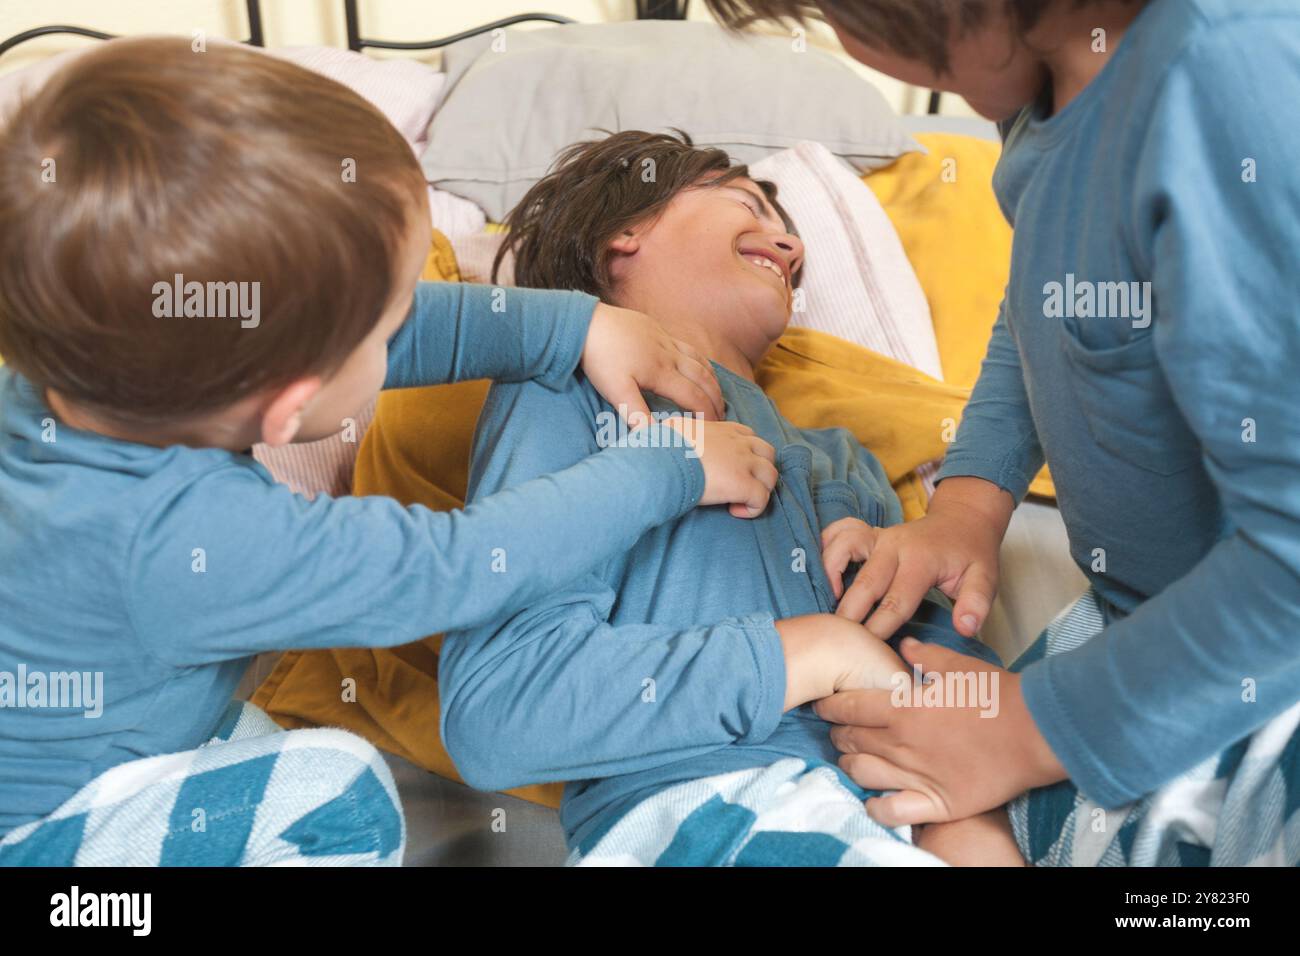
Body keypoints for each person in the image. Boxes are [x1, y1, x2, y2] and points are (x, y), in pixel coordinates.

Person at [0, 39, 778, 865]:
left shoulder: (82, 371)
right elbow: (463, 560)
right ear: (291, 405)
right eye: (385, 324)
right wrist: (667, 468)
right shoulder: (196, 539)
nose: (407, 326)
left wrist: (574, 324)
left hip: (89, 752)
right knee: (335, 790)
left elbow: (382, 333)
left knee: (245, 741)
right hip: (49, 847)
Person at [706, 0, 1300, 865]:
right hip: (1144, 624)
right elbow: (1044, 314)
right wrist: (970, 505)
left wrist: (1025, 731)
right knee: (912, 782)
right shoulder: (1038, 102)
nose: (842, 40)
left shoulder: (1226, 79)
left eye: (839, 10)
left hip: (1261, 649)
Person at [439, 130, 1021, 866]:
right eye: (748, 203)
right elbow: (499, 711)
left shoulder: (843, 458)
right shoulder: (566, 389)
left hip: (906, 803)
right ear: (625, 233)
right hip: (702, 802)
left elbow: (941, 680)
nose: (790, 245)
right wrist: (812, 652)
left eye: (794, 239)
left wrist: (975, 818)